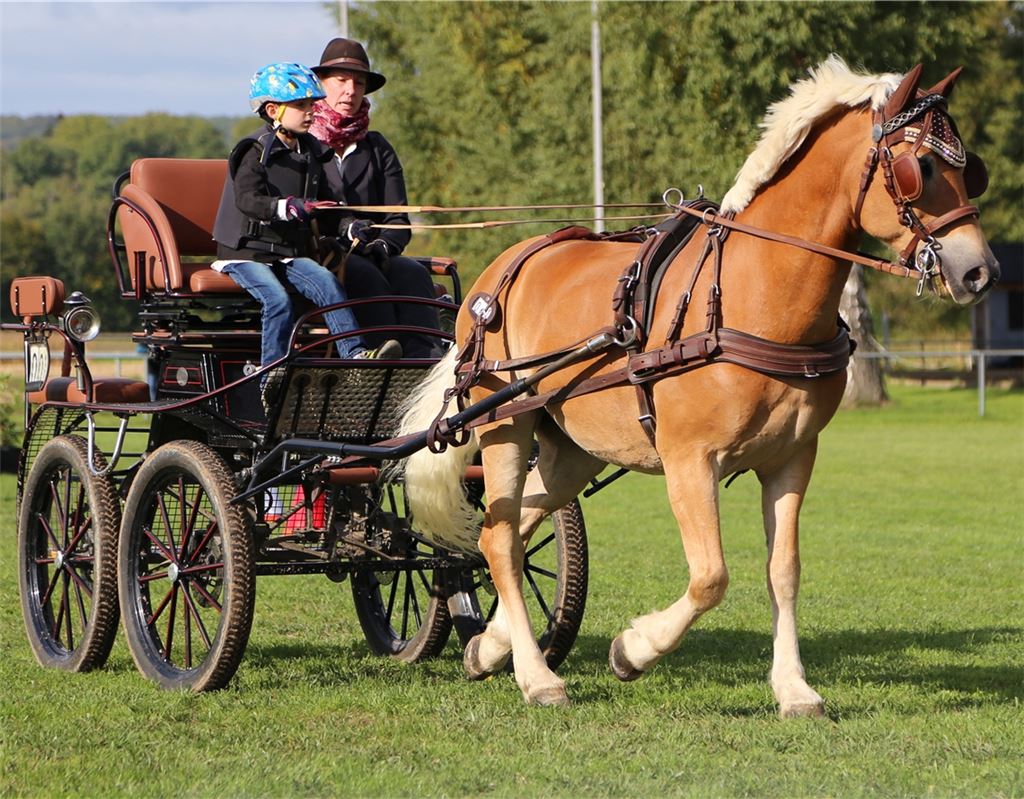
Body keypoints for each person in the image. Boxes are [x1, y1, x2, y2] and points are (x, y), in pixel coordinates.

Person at [212, 62, 402, 397]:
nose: (311, 112)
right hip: (246, 255)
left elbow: (327, 209)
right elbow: (248, 200)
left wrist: (349, 227)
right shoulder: (254, 150)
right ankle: (272, 374)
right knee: (277, 299)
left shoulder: (313, 152)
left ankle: (355, 354)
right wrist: (286, 207)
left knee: (328, 284)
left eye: (312, 105)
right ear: (274, 110)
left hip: (285, 255)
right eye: (301, 106)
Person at [309, 38, 442, 359]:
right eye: (341, 81)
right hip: (319, 254)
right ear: (322, 84)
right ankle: (378, 357)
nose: (350, 90)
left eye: (358, 82)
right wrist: (342, 233)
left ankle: (426, 360)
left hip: (374, 252)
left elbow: (398, 218)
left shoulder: (378, 148)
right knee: (361, 273)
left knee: (412, 272)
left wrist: (384, 245)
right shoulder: (304, 145)